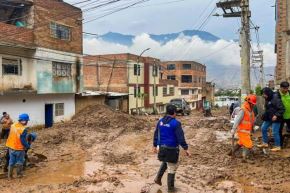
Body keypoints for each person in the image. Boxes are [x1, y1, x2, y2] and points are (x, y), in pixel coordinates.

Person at [153, 104, 190, 192]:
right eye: (176, 112)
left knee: (166, 161)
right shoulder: (176, 123)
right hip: (172, 149)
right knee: (172, 167)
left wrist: (154, 146)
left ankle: (158, 178)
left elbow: (156, 134)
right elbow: (180, 138)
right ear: (174, 112)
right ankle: (171, 189)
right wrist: (186, 149)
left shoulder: (160, 121)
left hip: (162, 148)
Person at [229, 94, 257, 161]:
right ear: (248, 102)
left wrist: (253, 128)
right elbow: (237, 120)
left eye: (254, 104)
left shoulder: (251, 111)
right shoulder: (243, 110)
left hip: (247, 131)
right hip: (242, 131)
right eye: (252, 104)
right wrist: (233, 129)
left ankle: (231, 152)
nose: (253, 105)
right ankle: (244, 158)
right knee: (248, 144)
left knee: (241, 142)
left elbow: (251, 121)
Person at [6, 114, 31, 179]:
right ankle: (19, 175)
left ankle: (10, 176)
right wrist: (27, 146)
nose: (27, 122)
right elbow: (23, 140)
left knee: (11, 162)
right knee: (20, 162)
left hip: (10, 147)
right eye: (27, 121)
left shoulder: (13, 125)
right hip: (19, 148)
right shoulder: (23, 129)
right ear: (23, 121)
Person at [277, 81, 290, 147]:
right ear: (280, 88)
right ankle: (280, 145)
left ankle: (288, 143)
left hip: (289, 116)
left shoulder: (289, 93)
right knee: (279, 131)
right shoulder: (276, 94)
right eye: (284, 88)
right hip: (280, 116)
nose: (285, 90)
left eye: (287, 88)